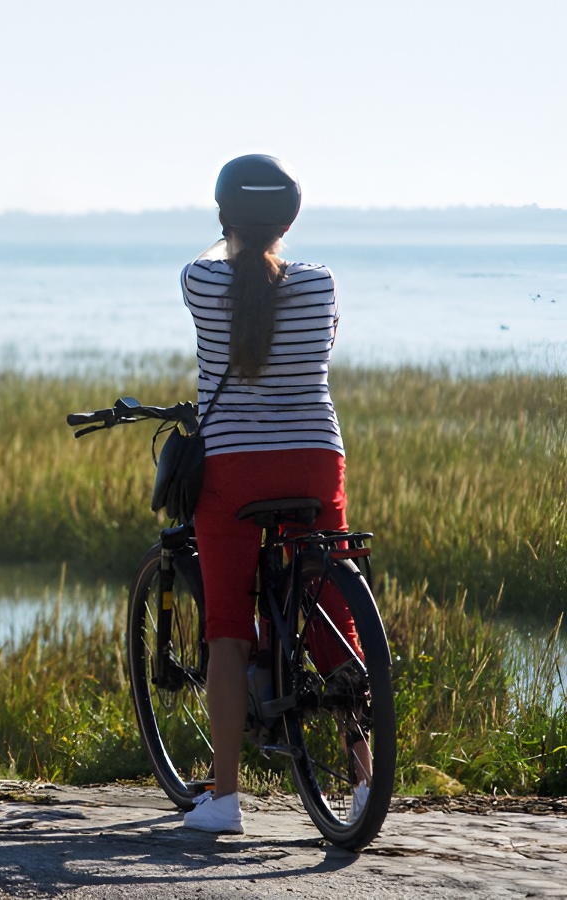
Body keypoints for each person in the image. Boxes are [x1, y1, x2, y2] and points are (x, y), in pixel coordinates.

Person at [180, 154, 369, 834]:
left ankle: (225, 800)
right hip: (315, 460)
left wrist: (232, 232)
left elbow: (221, 257)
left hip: (235, 467)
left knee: (227, 630)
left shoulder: (201, 279)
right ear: (289, 219)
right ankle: (364, 782)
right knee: (330, 608)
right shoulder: (321, 283)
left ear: (226, 217)